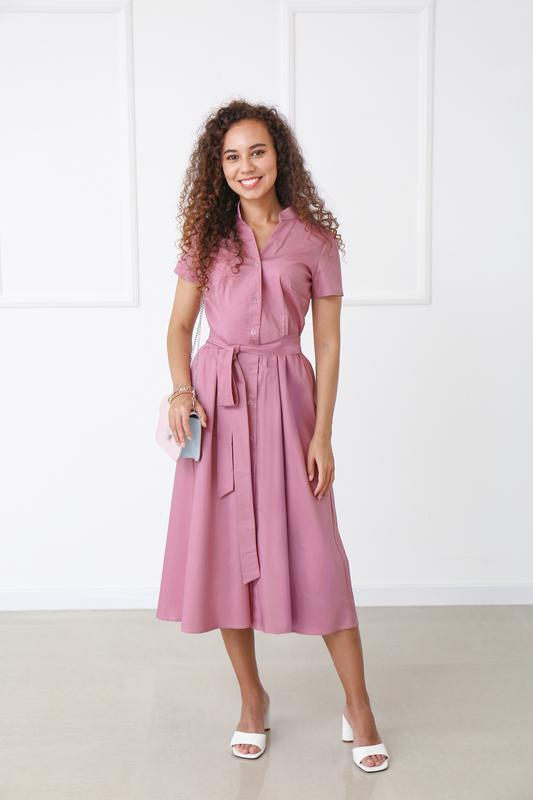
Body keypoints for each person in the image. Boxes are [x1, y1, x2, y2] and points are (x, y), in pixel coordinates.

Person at [156, 100, 389, 773]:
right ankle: (251, 699)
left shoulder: (314, 240)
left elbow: (329, 342)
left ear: (278, 155)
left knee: (321, 556)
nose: (245, 166)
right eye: (231, 156)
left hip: (288, 402)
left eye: (256, 151)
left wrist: (322, 434)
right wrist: (181, 391)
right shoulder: (207, 238)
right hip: (216, 404)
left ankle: (359, 706)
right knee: (224, 556)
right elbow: (179, 328)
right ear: (218, 168)